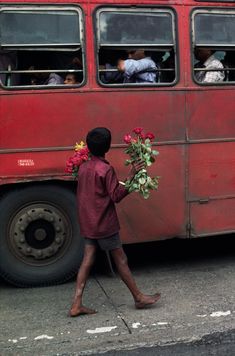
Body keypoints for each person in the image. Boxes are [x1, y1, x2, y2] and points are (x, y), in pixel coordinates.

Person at [70, 127, 161, 317]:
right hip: (104, 224)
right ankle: (138, 297)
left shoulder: (84, 166)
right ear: (108, 147)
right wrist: (131, 175)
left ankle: (76, 304)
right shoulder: (106, 169)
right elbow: (116, 196)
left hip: (88, 222)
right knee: (121, 260)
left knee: (87, 260)